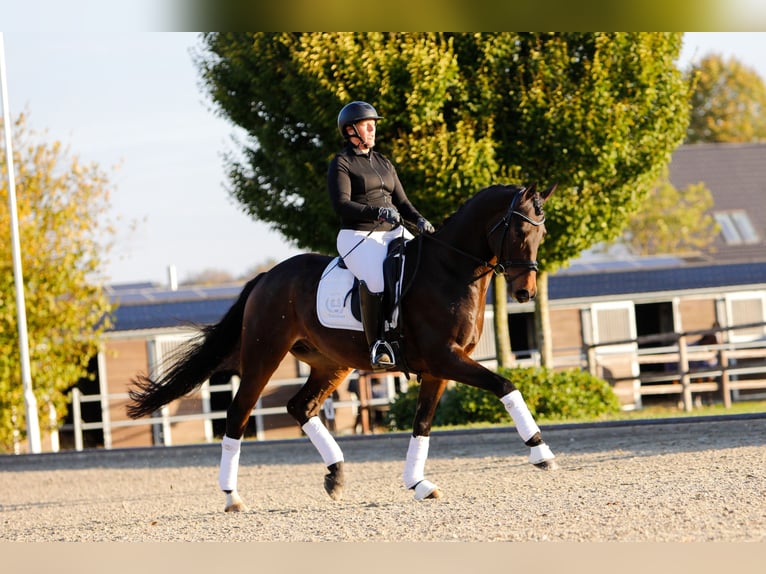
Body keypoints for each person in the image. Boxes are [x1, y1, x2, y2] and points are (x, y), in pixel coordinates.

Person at [328, 101, 435, 370]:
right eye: (368, 125)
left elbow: (403, 202)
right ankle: (378, 344)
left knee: (424, 267)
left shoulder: (383, 161)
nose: (373, 129)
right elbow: (342, 204)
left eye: (374, 125)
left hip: (394, 232)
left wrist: (419, 219)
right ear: (351, 130)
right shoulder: (342, 163)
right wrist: (377, 212)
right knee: (377, 281)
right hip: (358, 236)